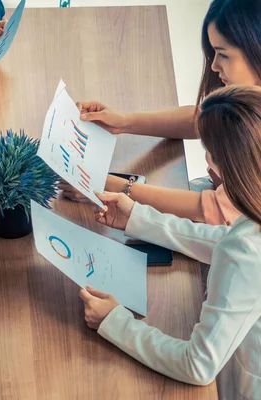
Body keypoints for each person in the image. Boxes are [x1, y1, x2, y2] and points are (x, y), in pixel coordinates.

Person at [79, 85, 261, 399]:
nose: (208, 168)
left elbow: (197, 366)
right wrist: (136, 218)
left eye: (212, 159)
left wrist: (115, 322)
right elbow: (225, 240)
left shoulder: (246, 249)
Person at [60, 0, 261, 226]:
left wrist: (107, 185)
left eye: (223, 54)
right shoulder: (248, 98)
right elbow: (203, 119)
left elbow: (214, 210)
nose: (214, 65)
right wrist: (124, 122)